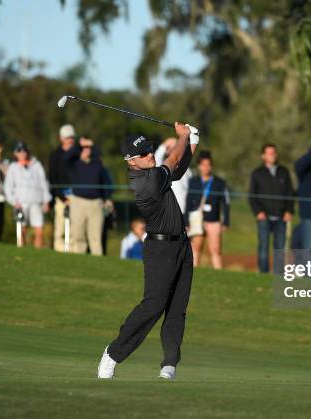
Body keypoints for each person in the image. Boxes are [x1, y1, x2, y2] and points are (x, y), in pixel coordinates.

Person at [97, 122, 198, 381]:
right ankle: (113, 354)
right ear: (131, 161)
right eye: (143, 154)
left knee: (177, 307)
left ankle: (169, 365)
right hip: (160, 248)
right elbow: (173, 159)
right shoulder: (145, 182)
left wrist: (192, 141)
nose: (150, 155)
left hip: (182, 246)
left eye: (150, 150)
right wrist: (183, 137)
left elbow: (179, 167)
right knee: (153, 305)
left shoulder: (155, 173)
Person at [248, 144, 294, 274]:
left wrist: (289, 211)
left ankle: (278, 275)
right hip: (264, 217)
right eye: (269, 153)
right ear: (263, 156)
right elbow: (252, 196)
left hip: (281, 217)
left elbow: (290, 193)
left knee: (280, 249)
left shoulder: (284, 172)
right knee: (263, 248)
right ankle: (263, 274)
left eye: (273, 152)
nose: (272, 155)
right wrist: (258, 212)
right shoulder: (257, 173)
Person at [185, 150, 230, 269]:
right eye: (203, 165)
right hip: (196, 220)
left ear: (212, 166)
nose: (206, 167)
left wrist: (225, 222)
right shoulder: (193, 182)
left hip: (213, 220)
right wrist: (186, 221)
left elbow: (226, 203)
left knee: (215, 249)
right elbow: (188, 202)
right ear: (199, 166)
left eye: (208, 165)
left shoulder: (219, 183)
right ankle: (193, 273)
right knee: (196, 248)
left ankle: (219, 273)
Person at [64, 137, 108, 256]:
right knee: (78, 236)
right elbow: (67, 156)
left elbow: (99, 153)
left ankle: (98, 263)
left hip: (96, 204)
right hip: (78, 202)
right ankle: (79, 261)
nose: (87, 150)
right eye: (84, 149)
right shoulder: (74, 164)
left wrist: (91, 144)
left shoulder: (97, 164)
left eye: (89, 149)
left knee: (95, 238)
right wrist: (79, 144)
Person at [4, 141, 51, 248]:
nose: (22, 153)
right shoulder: (13, 167)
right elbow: (8, 187)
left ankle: (37, 254)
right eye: (19, 151)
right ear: (15, 154)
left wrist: (46, 201)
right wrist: (14, 202)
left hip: (36, 202)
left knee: (39, 230)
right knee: (21, 230)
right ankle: (21, 251)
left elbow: (44, 183)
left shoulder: (36, 165)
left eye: (23, 150)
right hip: (21, 204)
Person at [49, 124, 76, 252]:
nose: (69, 140)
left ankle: (73, 252)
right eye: (67, 137)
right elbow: (53, 178)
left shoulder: (78, 154)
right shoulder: (55, 155)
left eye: (71, 137)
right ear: (61, 138)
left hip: (76, 197)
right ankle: (59, 250)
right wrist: (61, 197)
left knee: (75, 227)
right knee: (60, 226)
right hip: (61, 197)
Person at [154, 137, 192, 213]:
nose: (177, 151)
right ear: (167, 151)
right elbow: (156, 160)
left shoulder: (188, 170)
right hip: (169, 212)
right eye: (173, 149)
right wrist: (164, 145)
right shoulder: (163, 169)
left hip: (185, 213)